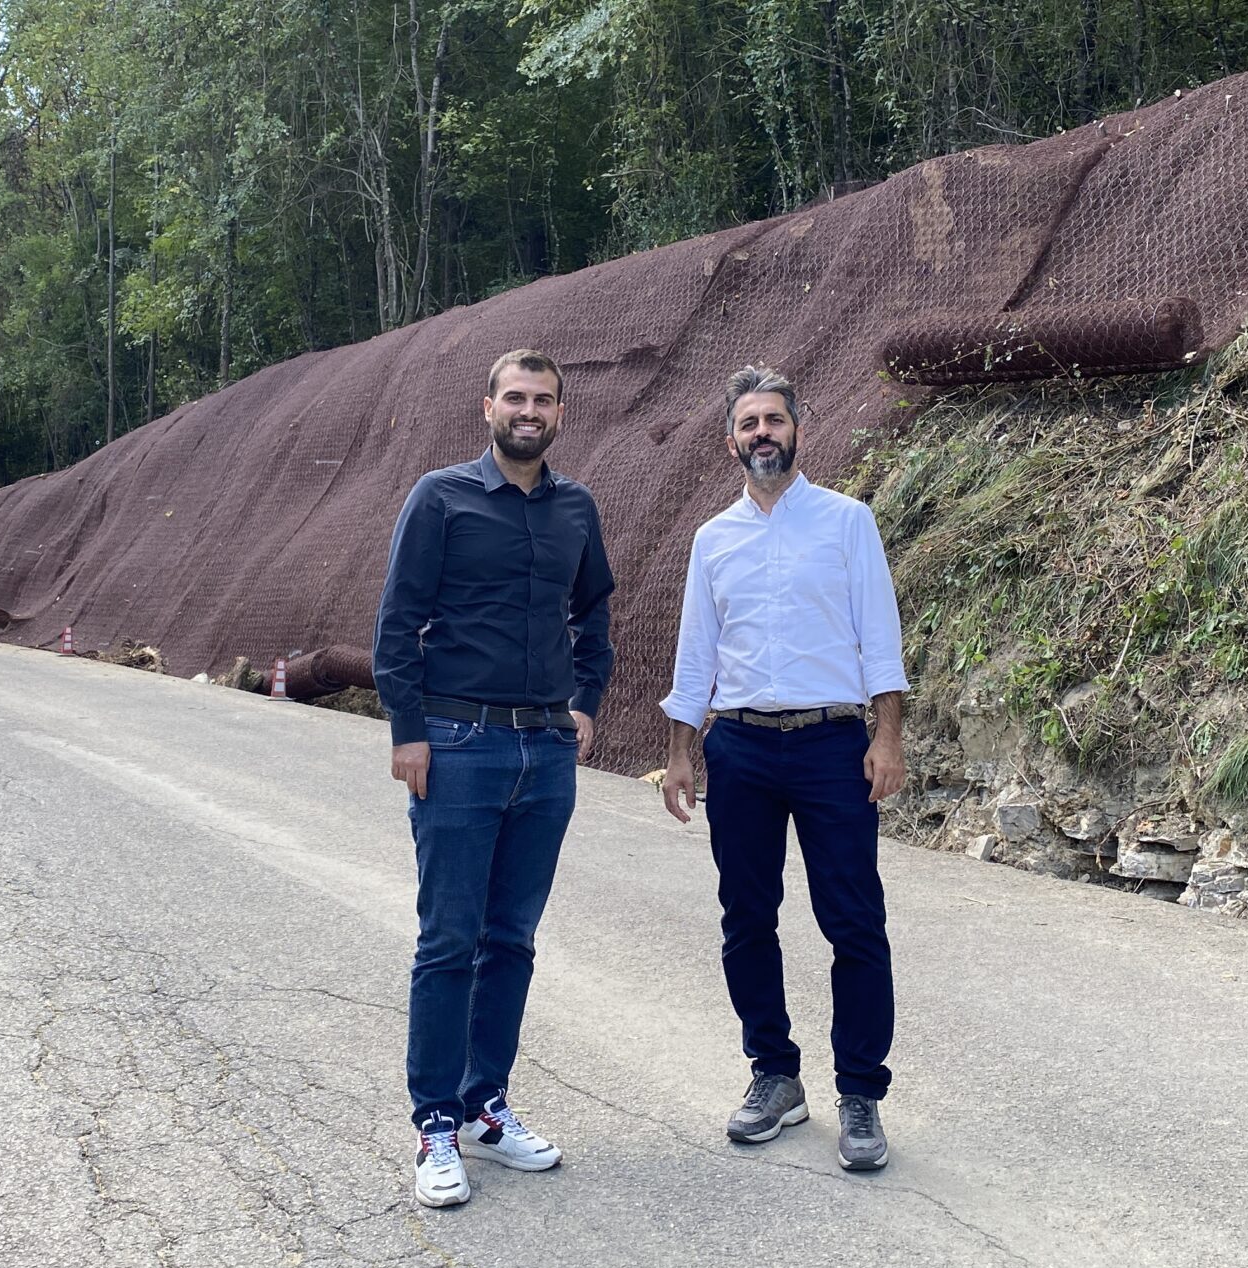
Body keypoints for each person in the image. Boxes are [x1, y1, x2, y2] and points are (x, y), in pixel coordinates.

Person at [375, 349, 616, 1208]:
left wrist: (586, 700)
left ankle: (486, 1105)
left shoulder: (576, 508)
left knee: (509, 940)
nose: (529, 410)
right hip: (457, 743)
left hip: (545, 752)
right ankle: (434, 1122)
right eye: (515, 396)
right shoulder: (440, 497)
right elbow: (398, 619)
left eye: (543, 400)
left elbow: (594, 613)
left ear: (560, 413)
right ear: (487, 407)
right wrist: (409, 733)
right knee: (448, 941)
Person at [658, 365, 909, 1171]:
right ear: (729, 439)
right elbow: (696, 655)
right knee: (745, 919)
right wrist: (679, 752)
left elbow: (881, 638)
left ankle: (861, 1094)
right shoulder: (712, 540)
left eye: (773, 419)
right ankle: (774, 1075)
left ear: (798, 428)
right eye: (748, 422)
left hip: (834, 745)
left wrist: (888, 736)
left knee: (854, 921)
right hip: (740, 750)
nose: (762, 432)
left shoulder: (846, 523)